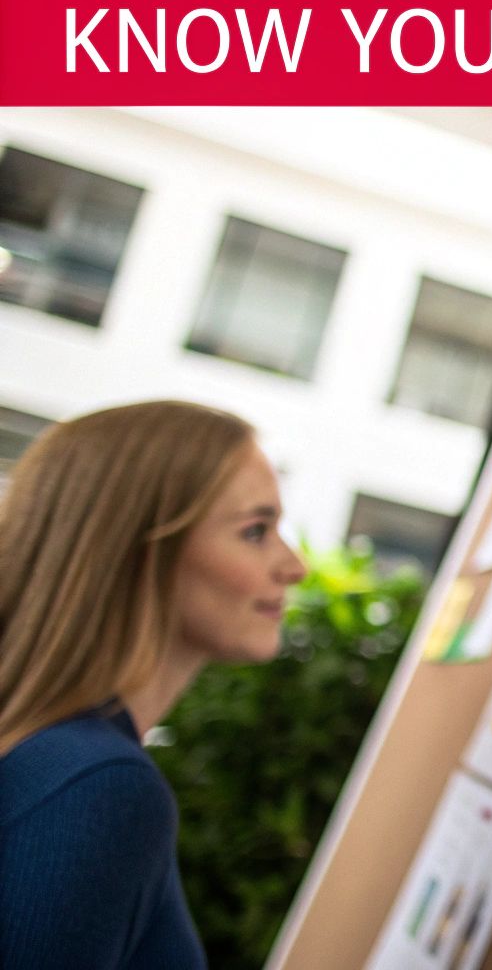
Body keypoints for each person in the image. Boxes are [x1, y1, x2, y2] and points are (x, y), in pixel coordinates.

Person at [0, 401, 306, 968]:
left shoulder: (60, 760)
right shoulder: (99, 788)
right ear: (142, 553)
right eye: (256, 531)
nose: (295, 566)